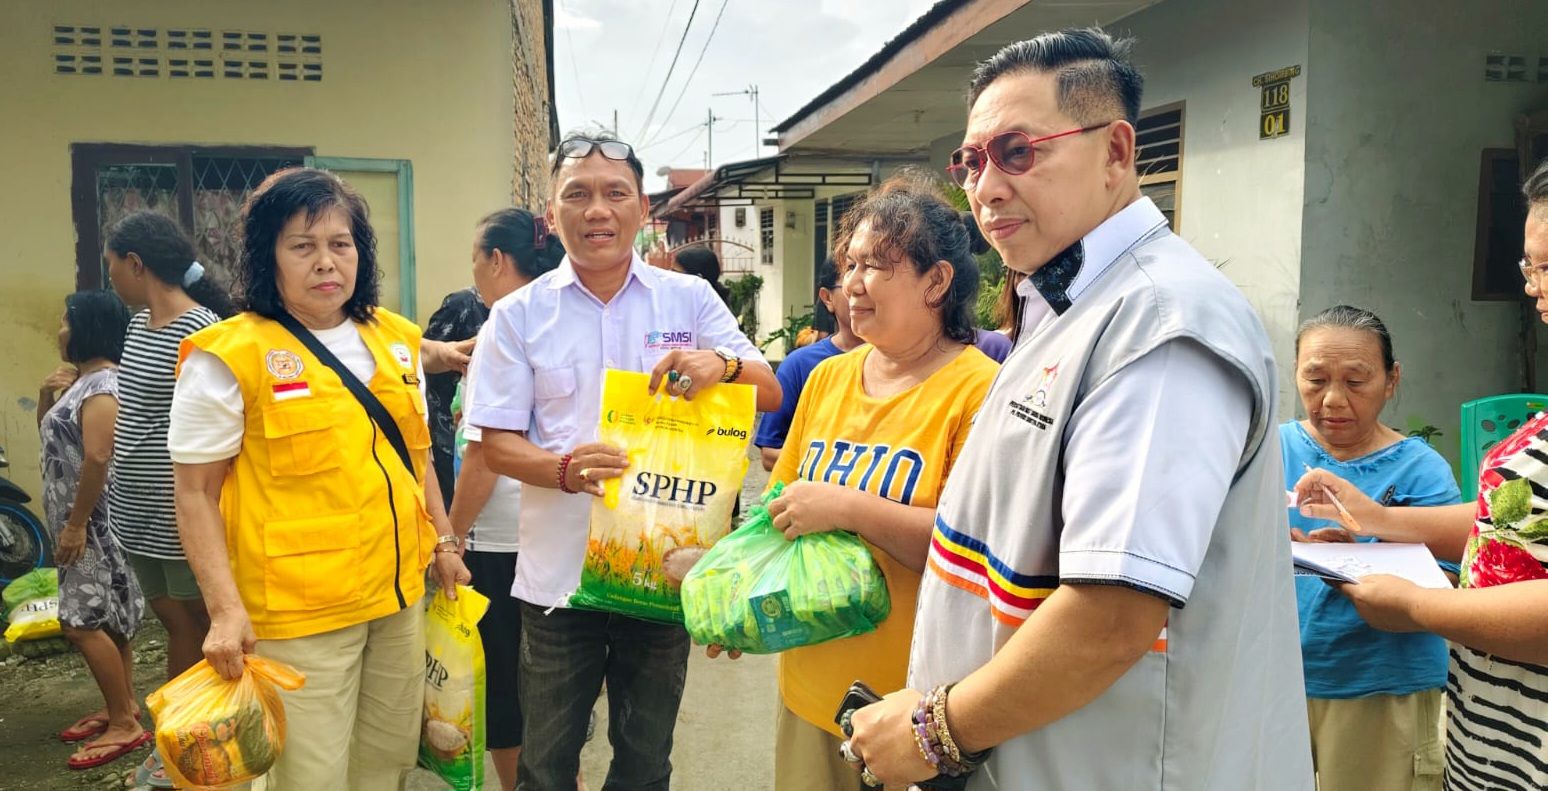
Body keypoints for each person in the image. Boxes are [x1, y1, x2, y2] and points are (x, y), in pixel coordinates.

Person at [848, 28, 1312, 789]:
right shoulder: (1069, 301)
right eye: (971, 161)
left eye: (1018, 152)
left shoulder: (1161, 324)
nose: (985, 186)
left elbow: (1111, 618)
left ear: (1117, 153)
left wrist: (937, 731)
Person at [463, 132, 781, 791]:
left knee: (644, 763)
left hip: (661, 578)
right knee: (545, 765)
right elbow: (494, 441)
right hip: (559, 583)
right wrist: (561, 470)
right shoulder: (518, 316)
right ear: (553, 217)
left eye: (615, 194)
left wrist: (717, 364)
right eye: (577, 194)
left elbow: (769, 386)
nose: (597, 210)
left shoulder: (687, 301)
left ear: (642, 210)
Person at [168, 167, 469, 790]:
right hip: (298, 620)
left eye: (341, 243)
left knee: (385, 766)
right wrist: (224, 612)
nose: (326, 262)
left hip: (398, 603)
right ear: (267, 258)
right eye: (302, 246)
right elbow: (194, 493)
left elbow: (416, 459)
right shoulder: (230, 356)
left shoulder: (393, 337)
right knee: (308, 776)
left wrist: (442, 540)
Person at [1296, 158, 1548, 791]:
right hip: (1495, 739)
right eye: (1529, 265)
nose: (1531, 286)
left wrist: (1418, 604)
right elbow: (1510, 525)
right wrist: (1378, 521)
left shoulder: (1417, 463)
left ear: (1391, 381)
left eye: (1547, 266)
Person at [755, 177, 999, 791]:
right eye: (850, 264)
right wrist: (742, 603)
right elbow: (777, 512)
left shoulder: (982, 390)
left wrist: (848, 507)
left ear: (936, 282)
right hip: (811, 689)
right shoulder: (827, 378)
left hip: (914, 716)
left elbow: (971, 554)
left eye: (876, 265)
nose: (852, 284)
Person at [1283, 305, 1461, 791]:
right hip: (1275, 681)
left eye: (1356, 382)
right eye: (1315, 379)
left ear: (1391, 379)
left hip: (1384, 684)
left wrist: (1359, 557)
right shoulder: (1267, 451)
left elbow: (1449, 583)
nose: (1333, 400)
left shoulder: (1420, 470)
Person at [100, 210, 234, 788]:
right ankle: (182, 735)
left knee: (191, 623)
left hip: (179, 510)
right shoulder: (136, 327)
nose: (111, 280)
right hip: (133, 509)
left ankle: (179, 743)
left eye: (113, 269)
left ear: (136, 265)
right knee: (168, 617)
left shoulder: (202, 329)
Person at [446, 207, 564, 791]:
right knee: (549, 688)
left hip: (500, 540)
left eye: (475, 257)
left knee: (507, 694)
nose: (473, 271)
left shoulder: (503, 325)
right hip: (552, 527)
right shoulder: (557, 315)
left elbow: (481, 456)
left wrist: (451, 535)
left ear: (496, 259)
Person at [38, 290, 148, 770]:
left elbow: (99, 457)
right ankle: (119, 706)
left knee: (80, 624)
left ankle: (126, 723)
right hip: (82, 526)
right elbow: (53, 439)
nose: (59, 330)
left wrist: (76, 525)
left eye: (65, 321)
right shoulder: (82, 384)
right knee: (107, 621)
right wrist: (48, 396)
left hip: (94, 528)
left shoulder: (103, 385)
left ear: (86, 328)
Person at [754, 258, 864, 471]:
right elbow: (769, 454)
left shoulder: (906, 365)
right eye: (849, 284)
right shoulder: (801, 364)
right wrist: (844, 466)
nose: (862, 291)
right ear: (827, 297)